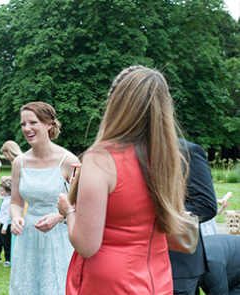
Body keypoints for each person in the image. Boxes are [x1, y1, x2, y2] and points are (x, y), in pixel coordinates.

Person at [58, 66, 189, 294]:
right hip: (158, 278)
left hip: (109, 283)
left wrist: (68, 211)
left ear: (116, 103)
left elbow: (87, 245)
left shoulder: (102, 158)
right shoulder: (168, 159)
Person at [9, 101, 80, 295]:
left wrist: (58, 216)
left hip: (59, 236)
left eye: (33, 122)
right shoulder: (19, 162)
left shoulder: (69, 161)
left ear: (49, 124)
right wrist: (16, 217)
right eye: (23, 124)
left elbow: (80, 204)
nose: (27, 128)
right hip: (28, 237)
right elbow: (16, 202)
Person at [169, 139, 217, 295]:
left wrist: (157, 217)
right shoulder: (120, 151)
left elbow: (205, 205)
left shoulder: (186, 151)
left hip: (178, 264)